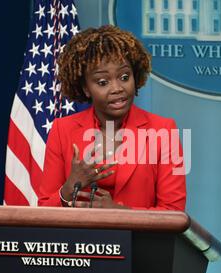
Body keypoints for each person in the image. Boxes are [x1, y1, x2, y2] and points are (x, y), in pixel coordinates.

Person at [38, 25, 186, 211]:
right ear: (86, 88)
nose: (117, 88)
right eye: (103, 82)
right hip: (80, 239)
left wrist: (118, 212)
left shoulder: (164, 130)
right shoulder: (62, 130)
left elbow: (174, 211)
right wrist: (70, 186)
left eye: (124, 77)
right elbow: (44, 208)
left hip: (140, 240)